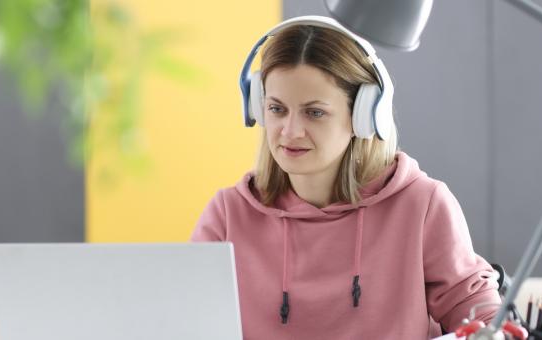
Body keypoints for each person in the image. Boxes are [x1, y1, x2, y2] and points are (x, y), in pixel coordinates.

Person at [191, 16, 500, 339]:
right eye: (277, 109)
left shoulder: (421, 205)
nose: (290, 131)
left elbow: (481, 317)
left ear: (364, 116)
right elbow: (183, 319)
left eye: (315, 112)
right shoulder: (227, 214)